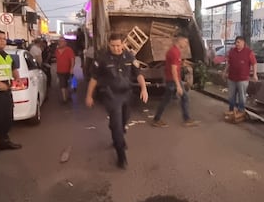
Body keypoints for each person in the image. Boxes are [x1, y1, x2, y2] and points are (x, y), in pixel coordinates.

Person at [85, 33, 149, 169]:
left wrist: (144, 89)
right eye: (113, 46)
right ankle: (121, 155)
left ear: (123, 44)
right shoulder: (102, 59)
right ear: (109, 45)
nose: (116, 48)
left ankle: (117, 129)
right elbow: (94, 79)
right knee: (117, 126)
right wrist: (89, 96)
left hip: (126, 94)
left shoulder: (129, 57)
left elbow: (138, 74)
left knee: (124, 119)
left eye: (118, 45)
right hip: (111, 95)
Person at [152, 34, 199, 128]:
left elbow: (173, 66)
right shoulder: (174, 52)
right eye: (185, 41)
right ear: (180, 41)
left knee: (166, 100)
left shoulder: (173, 51)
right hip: (173, 80)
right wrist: (178, 85)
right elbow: (173, 70)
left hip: (171, 80)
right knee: (184, 98)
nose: (186, 44)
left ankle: (156, 119)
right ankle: (186, 119)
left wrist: (181, 63)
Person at [223, 36, 258, 113]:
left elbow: (254, 63)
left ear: (243, 42)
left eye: (238, 42)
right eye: (236, 42)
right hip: (231, 78)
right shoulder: (232, 51)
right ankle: (231, 110)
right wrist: (225, 72)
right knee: (231, 96)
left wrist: (255, 74)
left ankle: (241, 110)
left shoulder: (248, 52)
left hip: (243, 79)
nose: (237, 44)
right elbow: (228, 63)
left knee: (242, 96)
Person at [55, 36, 76, 103]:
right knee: (62, 84)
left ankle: (68, 95)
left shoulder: (69, 50)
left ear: (65, 43)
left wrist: (71, 68)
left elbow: (72, 59)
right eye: (59, 42)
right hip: (60, 71)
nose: (60, 43)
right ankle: (64, 99)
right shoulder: (56, 51)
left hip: (68, 70)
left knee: (67, 84)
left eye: (62, 41)